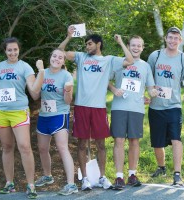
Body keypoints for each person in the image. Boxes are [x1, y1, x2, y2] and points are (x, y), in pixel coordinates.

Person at [58, 25, 133, 191]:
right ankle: (85, 179)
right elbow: (60, 52)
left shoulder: (108, 60)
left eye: (90, 44)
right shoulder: (81, 57)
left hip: (98, 108)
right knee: (82, 144)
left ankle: (102, 177)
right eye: (86, 44)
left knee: (100, 144)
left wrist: (121, 42)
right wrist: (69, 37)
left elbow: (130, 60)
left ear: (98, 44)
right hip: (81, 107)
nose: (87, 46)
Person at [0, 37, 43, 199]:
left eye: (15, 49)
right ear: (5, 51)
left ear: (19, 50)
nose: (12, 52)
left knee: (24, 147)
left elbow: (34, 91)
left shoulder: (25, 67)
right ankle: (9, 183)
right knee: (7, 147)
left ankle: (31, 184)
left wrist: (41, 73)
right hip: (1, 111)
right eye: (9, 50)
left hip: (19, 111)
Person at [147, 27, 184, 186]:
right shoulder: (156, 55)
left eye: (176, 38)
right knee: (157, 142)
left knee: (176, 139)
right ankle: (161, 167)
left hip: (174, 106)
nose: (173, 41)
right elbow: (148, 79)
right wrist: (149, 92)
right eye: (170, 37)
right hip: (155, 107)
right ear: (165, 39)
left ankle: (177, 174)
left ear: (180, 41)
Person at [108, 36, 157, 190]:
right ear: (128, 46)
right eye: (133, 45)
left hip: (136, 108)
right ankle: (118, 177)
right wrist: (114, 89)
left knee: (134, 141)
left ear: (142, 48)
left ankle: (132, 175)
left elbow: (150, 87)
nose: (136, 48)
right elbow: (106, 80)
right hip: (119, 107)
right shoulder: (118, 62)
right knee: (119, 141)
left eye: (139, 46)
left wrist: (153, 93)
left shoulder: (145, 66)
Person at [32, 49, 78, 195]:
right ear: (50, 57)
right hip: (44, 114)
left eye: (60, 57)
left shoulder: (66, 75)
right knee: (42, 148)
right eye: (54, 56)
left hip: (59, 114)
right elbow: (35, 95)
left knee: (62, 147)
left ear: (63, 61)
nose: (57, 59)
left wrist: (68, 91)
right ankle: (47, 176)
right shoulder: (43, 72)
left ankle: (71, 184)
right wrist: (39, 73)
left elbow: (68, 101)